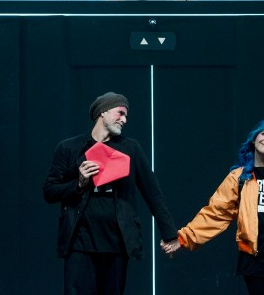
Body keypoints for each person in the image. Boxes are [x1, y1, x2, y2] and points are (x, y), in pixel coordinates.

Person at [43, 92, 181, 295]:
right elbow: (49, 192)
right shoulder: (69, 148)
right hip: (79, 244)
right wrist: (79, 183)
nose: (124, 120)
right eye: (120, 113)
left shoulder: (130, 148)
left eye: (126, 116)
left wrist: (171, 235)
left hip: (116, 243)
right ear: (103, 112)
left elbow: (153, 194)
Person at [174, 118, 264, 295]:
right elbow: (215, 213)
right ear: (254, 138)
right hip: (254, 259)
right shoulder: (238, 177)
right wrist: (183, 238)